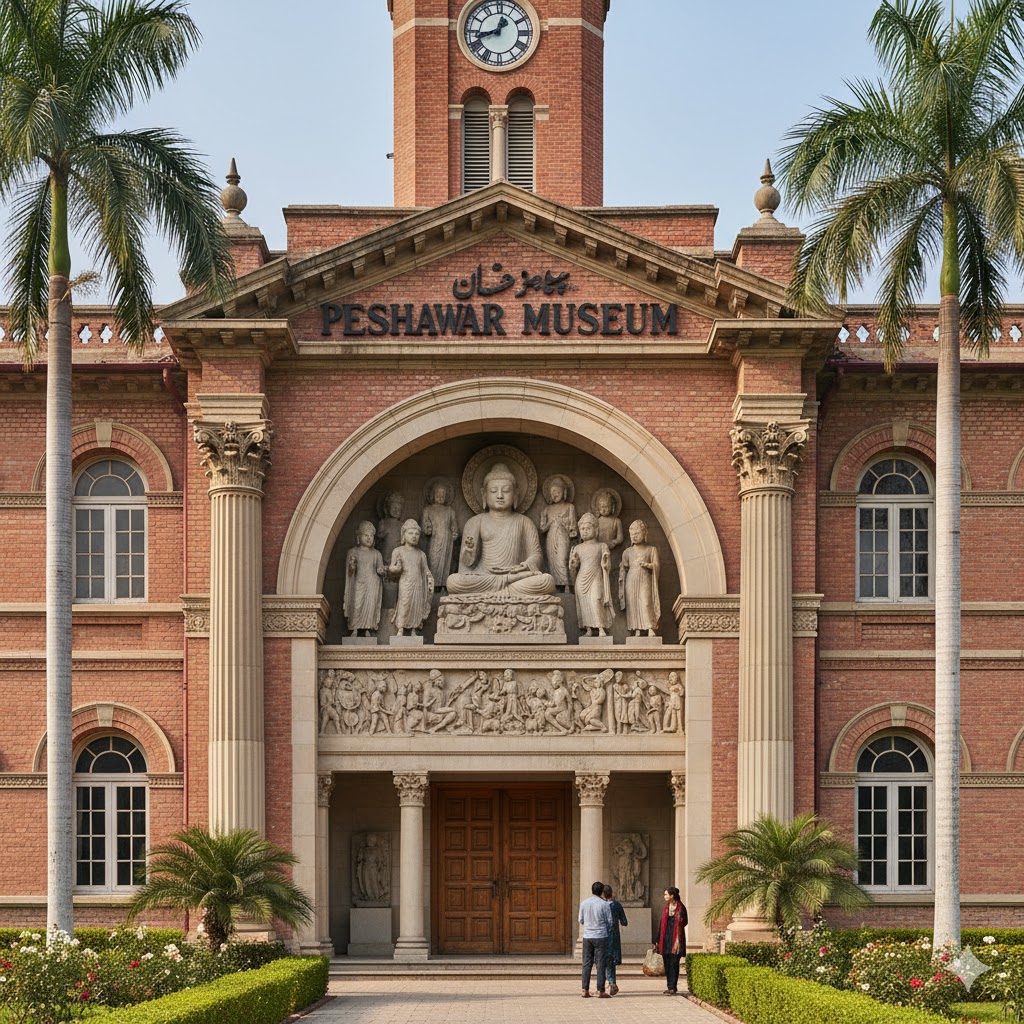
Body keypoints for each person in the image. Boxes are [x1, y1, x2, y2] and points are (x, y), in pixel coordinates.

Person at [446, 463, 556, 596]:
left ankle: (498, 591)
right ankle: (505, 591)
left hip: (515, 578)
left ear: (516, 494)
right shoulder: (474, 522)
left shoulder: (524, 522)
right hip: (484, 577)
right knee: (453, 581)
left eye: (506, 490)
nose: (499, 495)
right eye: (493, 491)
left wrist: (527, 565)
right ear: (484, 494)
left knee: (546, 581)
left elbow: (536, 555)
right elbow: (466, 566)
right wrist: (468, 551)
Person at [578, 879, 614, 998]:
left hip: (587, 936)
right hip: (601, 936)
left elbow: (581, 920)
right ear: (602, 892)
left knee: (586, 963)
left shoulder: (584, 903)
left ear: (592, 891)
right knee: (600, 963)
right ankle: (601, 990)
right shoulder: (604, 904)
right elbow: (610, 921)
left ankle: (584, 989)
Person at [652, 885, 688, 995]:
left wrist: (679, 920)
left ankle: (673, 986)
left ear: (672, 895)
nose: (665, 896)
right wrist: (657, 939)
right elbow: (661, 924)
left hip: (676, 940)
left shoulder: (681, 908)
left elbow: (685, 922)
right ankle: (669, 986)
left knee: (674, 963)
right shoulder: (666, 907)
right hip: (665, 939)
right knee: (667, 963)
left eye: (666, 894)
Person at [602, 884, 628, 996]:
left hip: (601, 935)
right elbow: (624, 921)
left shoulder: (600, 905)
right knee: (611, 960)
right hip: (613, 936)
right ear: (611, 893)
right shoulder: (616, 905)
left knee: (602, 960)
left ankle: (603, 984)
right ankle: (612, 982)